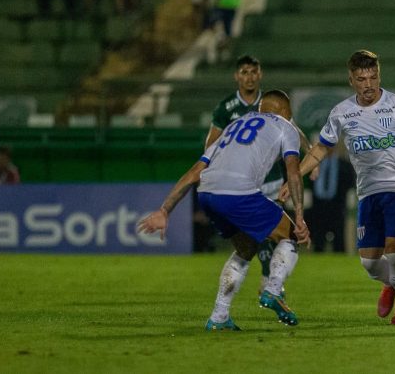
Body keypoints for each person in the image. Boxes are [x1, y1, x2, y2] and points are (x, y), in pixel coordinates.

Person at [282, 50, 395, 325]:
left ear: (379, 75)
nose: (369, 84)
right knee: (371, 264)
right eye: (362, 79)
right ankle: (392, 284)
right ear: (351, 80)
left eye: (373, 77)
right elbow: (320, 149)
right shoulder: (342, 113)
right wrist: (296, 177)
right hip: (369, 193)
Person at [137, 90, 310, 329]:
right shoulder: (285, 126)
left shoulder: (234, 126)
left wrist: (165, 209)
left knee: (246, 247)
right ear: (285, 111)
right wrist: (299, 217)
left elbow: (195, 171)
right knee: (291, 235)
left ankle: (219, 316)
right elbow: (293, 171)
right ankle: (273, 290)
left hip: (207, 194)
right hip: (238, 192)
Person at [205, 54, 314, 297]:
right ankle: (271, 282)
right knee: (267, 232)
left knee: (268, 232)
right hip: (243, 183)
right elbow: (211, 143)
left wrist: (310, 159)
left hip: (271, 180)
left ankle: (264, 283)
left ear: (260, 74)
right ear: (237, 76)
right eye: (244, 72)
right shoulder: (226, 108)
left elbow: (294, 130)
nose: (250, 77)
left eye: (254, 72)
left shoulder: (270, 102)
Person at [307, 144, 356, 252]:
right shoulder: (314, 165)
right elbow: (309, 183)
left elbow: (350, 183)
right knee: (318, 240)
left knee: (338, 240)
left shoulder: (345, 165)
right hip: (318, 207)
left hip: (337, 207)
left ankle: (340, 261)